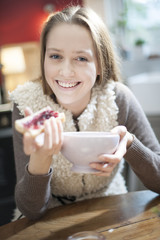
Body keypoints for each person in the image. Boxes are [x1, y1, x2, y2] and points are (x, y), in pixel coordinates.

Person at [10, 5, 160, 221]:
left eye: (81, 58)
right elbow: (30, 210)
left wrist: (129, 145)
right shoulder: (26, 106)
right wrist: (40, 160)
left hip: (111, 210)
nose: (66, 71)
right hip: (49, 219)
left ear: (100, 63)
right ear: (43, 58)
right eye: (55, 56)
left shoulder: (118, 98)